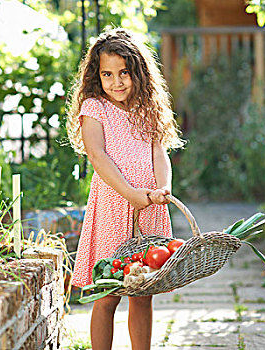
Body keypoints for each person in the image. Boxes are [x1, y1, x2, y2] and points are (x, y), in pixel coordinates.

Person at [65, 28, 184, 350]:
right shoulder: (94, 107)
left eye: (124, 73)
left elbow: (159, 153)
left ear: (139, 73)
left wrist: (163, 188)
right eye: (107, 74)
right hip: (114, 208)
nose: (116, 82)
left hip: (150, 209)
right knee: (109, 293)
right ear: (96, 76)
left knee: (142, 291)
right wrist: (131, 193)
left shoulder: (149, 109)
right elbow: (98, 156)